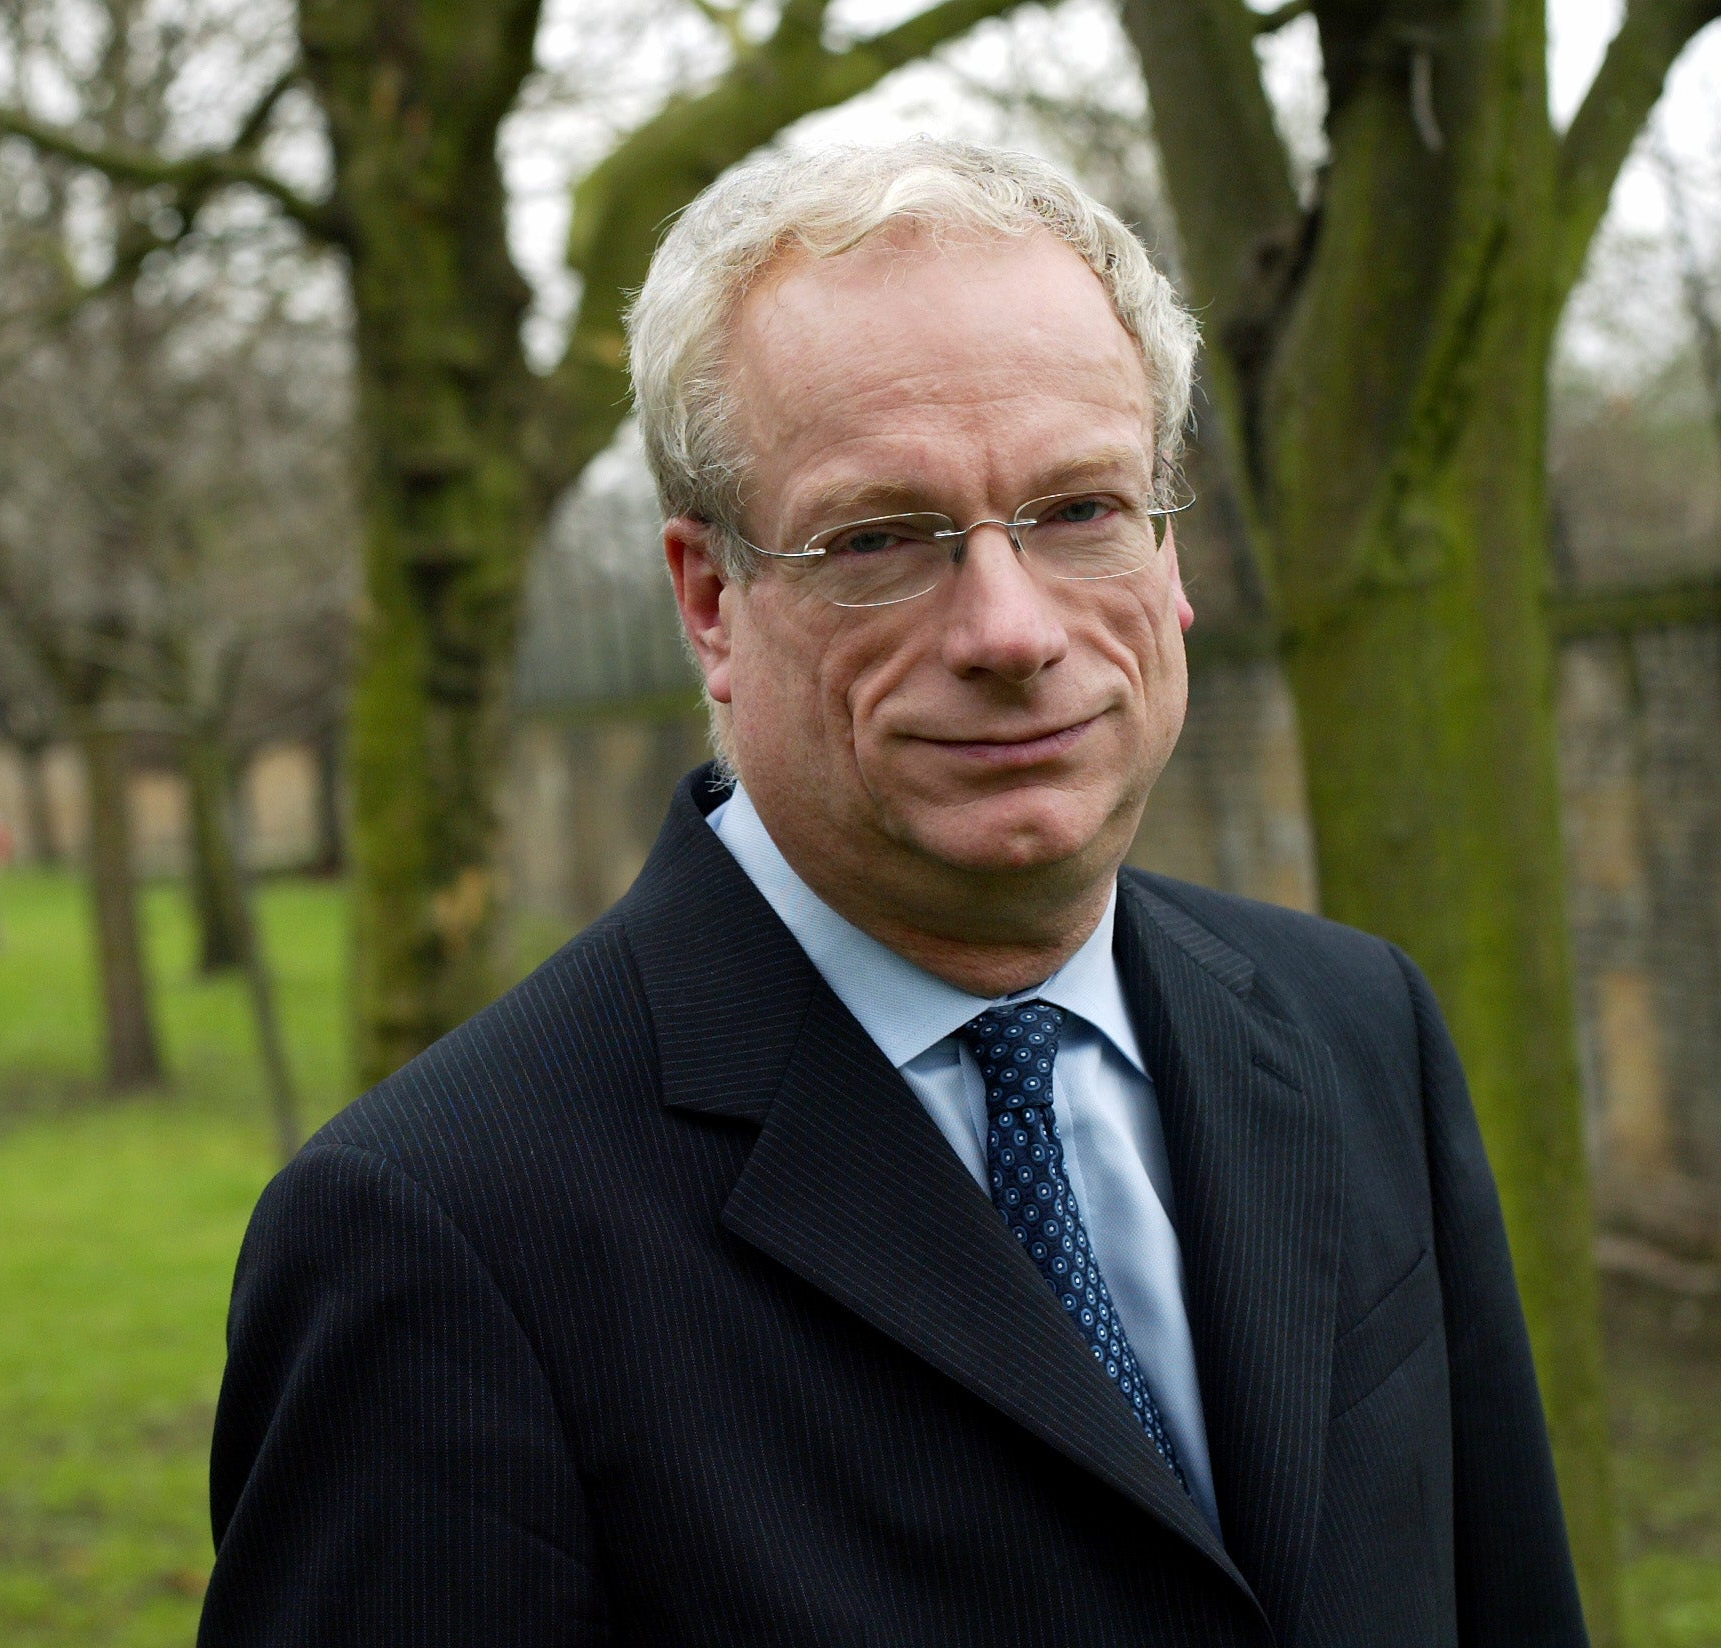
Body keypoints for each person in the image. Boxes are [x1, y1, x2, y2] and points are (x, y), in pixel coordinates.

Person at [197, 138, 1588, 1646]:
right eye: (879, 540)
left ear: (1170, 546)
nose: (1010, 629)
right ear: (711, 601)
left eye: (1078, 510)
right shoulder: (439, 1236)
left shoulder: (1356, 1025)